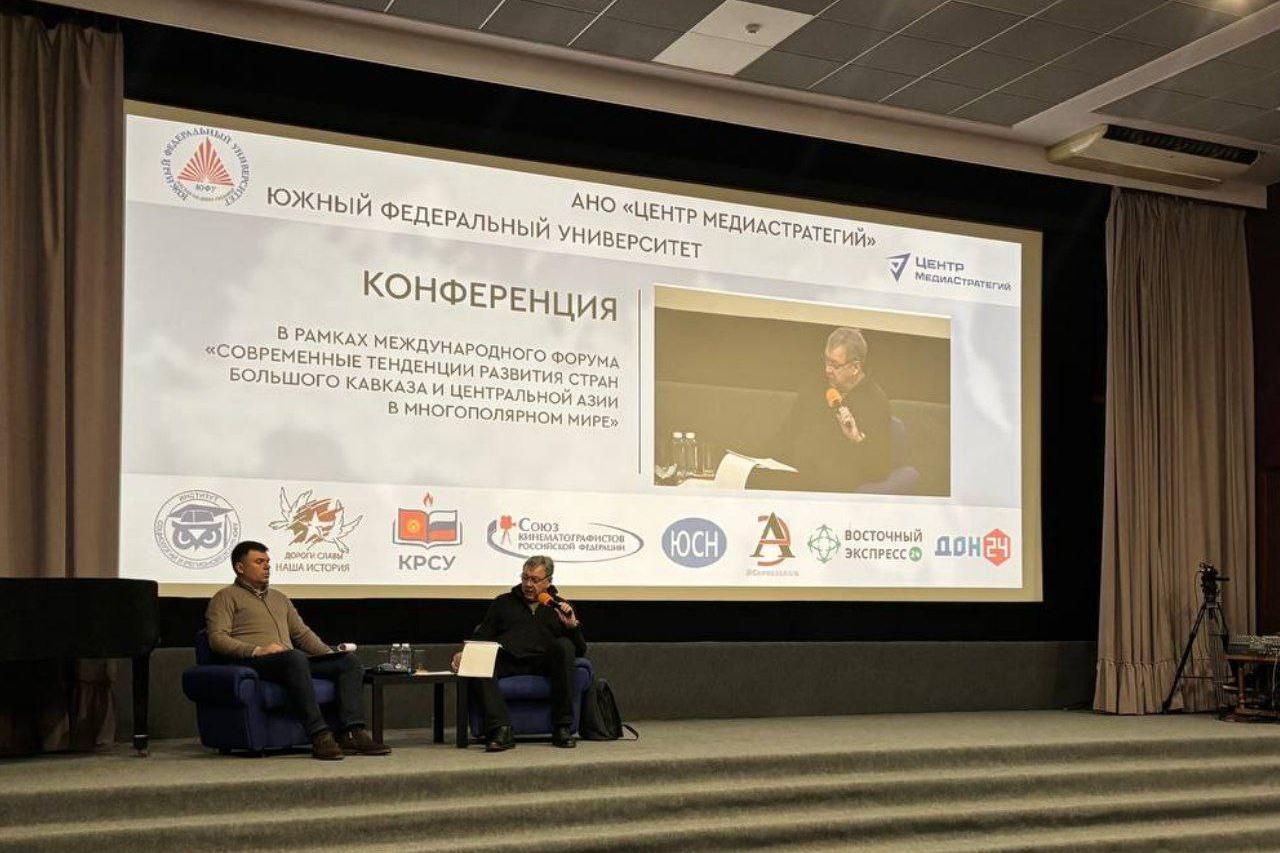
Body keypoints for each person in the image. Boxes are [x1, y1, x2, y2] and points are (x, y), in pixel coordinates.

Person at [205, 540, 390, 760]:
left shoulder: (279, 598)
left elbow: (302, 634)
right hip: (255, 661)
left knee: (347, 662)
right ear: (240, 567)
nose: (267, 566)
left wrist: (329, 655)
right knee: (295, 657)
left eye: (268, 562)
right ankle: (320, 735)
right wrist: (257, 650)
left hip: (289, 661)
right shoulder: (225, 597)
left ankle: (352, 732)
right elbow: (217, 639)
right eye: (259, 562)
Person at [452, 555, 585, 752]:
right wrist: (465, 654)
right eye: (525, 578)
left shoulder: (560, 607)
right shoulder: (503, 602)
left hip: (543, 664)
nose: (528, 584)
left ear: (548, 581)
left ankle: (562, 727)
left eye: (535, 580)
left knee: (565, 645)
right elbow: (482, 636)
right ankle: (501, 729)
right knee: (480, 658)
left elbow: (580, 651)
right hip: (509, 660)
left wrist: (572, 627)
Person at [765, 327, 892, 493]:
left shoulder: (875, 402)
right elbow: (787, 432)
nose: (827, 370)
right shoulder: (816, 385)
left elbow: (879, 471)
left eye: (835, 365)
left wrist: (857, 438)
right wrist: (761, 460)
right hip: (796, 473)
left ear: (855, 367)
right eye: (826, 361)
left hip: (832, 489)